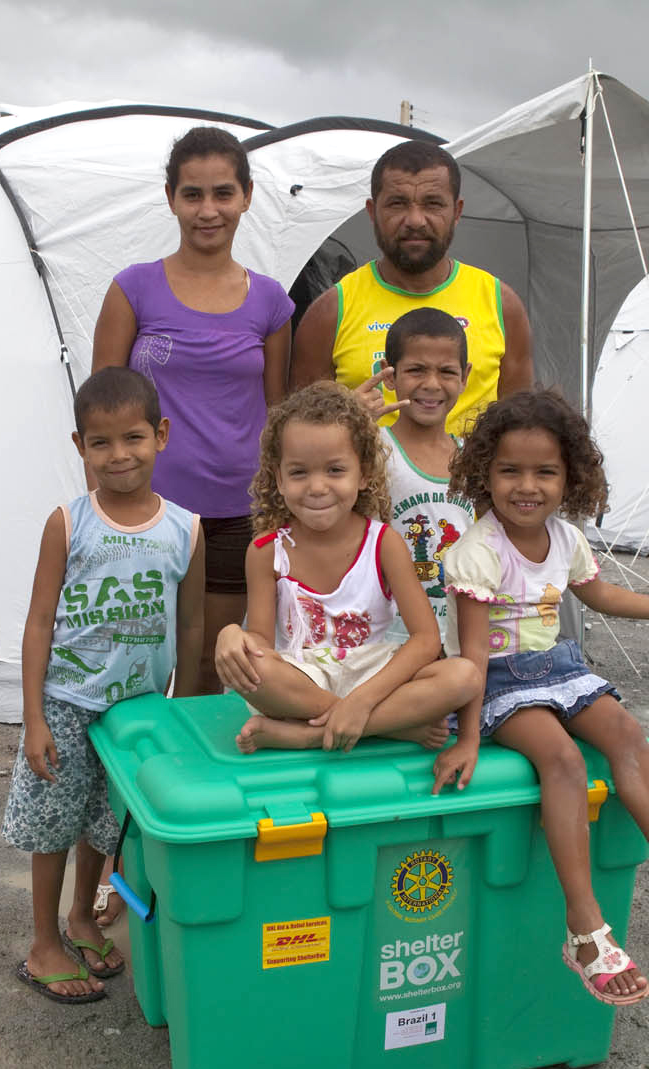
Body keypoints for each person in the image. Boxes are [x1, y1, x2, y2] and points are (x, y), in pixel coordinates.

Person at [434, 389, 649, 1007]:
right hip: (498, 682)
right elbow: (469, 659)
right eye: (509, 470)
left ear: (570, 476)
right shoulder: (477, 552)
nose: (527, 486)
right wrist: (466, 737)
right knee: (563, 760)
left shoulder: (566, 539)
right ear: (483, 473)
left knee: (627, 733)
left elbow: (601, 596)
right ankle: (585, 926)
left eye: (545, 472)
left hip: (559, 668)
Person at [3, 367, 205, 1003]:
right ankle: (42, 944)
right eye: (101, 443)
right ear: (79, 447)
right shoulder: (68, 522)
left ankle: (81, 919)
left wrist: (182, 714)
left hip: (137, 714)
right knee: (52, 825)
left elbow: (192, 625)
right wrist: (34, 717)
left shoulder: (186, 528)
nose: (119, 455)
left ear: (162, 435)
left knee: (104, 825)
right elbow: (39, 621)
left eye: (134, 438)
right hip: (66, 702)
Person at [92, 126, 294, 698]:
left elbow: (278, 414)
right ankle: (126, 782)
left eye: (223, 193)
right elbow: (99, 414)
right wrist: (105, 515)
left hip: (238, 513)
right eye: (193, 195)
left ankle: (184, 784)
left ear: (248, 196)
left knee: (209, 666)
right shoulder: (132, 290)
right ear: (170, 197)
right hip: (147, 510)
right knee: (132, 656)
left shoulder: (271, 301)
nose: (209, 211)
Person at [214, 382, 479, 753]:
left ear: (365, 473)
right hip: (303, 678)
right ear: (279, 479)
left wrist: (363, 699)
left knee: (462, 675)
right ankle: (387, 728)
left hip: (375, 673)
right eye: (299, 472)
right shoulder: (265, 550)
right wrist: (232, 636)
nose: (317, 487)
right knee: (253, 671)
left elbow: (425, 640)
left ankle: (309, 735)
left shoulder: (383, 542)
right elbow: (260, 642)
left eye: (335, 470)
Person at [289, 140, 533, 434]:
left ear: (457, 211)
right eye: (397, 203)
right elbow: (300, 434)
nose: (415, 220)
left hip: (472, 481)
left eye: (433, 204)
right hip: (370, 481)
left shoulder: (502, 306)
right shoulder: (330, 313)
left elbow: (520, 430)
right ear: (371, 211)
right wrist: (346, 421)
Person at [377, 308, 473, 650]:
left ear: (464, 377)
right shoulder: (372, 449)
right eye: (416, 370)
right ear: (389, 376)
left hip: (461, 636)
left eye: (447, 372)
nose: (432, 384)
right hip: (388, 638)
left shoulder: (474, 459)